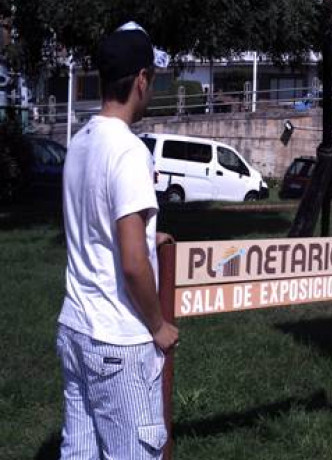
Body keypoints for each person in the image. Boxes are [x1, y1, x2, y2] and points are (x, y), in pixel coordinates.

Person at [57, 23, 179, 459]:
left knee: (81, 452)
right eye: (153, 80)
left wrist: (150, 235)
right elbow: (131, 263)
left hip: (75, 327)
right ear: (141, 80)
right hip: (118, 342)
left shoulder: (80, 142)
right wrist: (158, 325)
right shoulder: (130, 152)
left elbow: (95, 222)